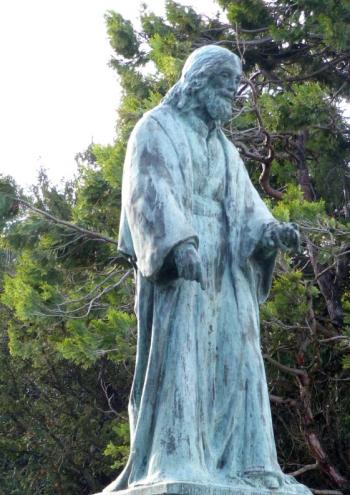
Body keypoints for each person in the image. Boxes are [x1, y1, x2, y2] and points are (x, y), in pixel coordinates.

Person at [104, 45, 311, 494]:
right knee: (184, 360)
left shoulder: (223, 148)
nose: (233, 96)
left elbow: (245, 206)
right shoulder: (154, 129)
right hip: (183, 267)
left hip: (229, 266)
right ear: (199, 83)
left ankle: (250, 465)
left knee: (240, 358)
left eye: (235, 87)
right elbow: (147, 190)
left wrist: (270, 232)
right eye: (225, 86)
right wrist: (177, 245)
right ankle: (179, 461)